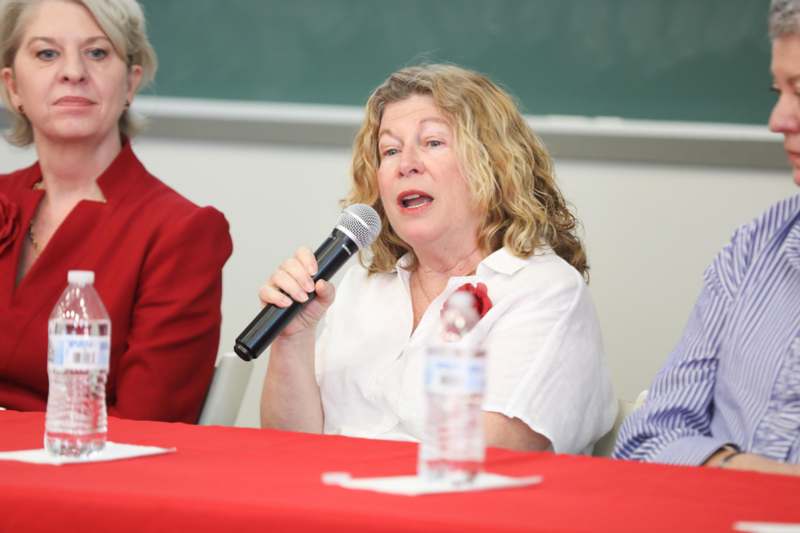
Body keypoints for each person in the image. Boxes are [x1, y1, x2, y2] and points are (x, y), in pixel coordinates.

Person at [259, 64, 615, 453]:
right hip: (328, 502)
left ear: (494, 162)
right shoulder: (365, 283)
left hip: (446, 508)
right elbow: (289, 448)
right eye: (390, 150)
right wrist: (293, 339)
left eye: (432, 143)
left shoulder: (543, 291)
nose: (405, 163)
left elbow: (489, 455)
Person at [0, 0, 232, 422]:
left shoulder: (180, 232)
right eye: (47, 53)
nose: (73, 72)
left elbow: (149, 426)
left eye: (97, 52)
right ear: (13, 86)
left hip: (78, 477)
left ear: (130, 83)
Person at [613, 0, 800, 476]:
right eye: (779, 91)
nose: (777, 119)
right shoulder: (758, 245)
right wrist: (752, 473)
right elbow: (645, 439)